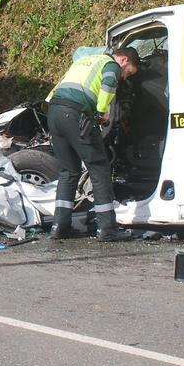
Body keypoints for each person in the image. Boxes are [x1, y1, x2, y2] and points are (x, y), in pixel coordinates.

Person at [46, 45, 140, 241]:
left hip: (54, 112)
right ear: (123, 59)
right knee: (99, 169)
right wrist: (101, 112)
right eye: (127, 73)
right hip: (75, 113)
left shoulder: (85, 61)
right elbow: (108, 84)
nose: (124, 77)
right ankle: (107, 229)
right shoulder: (110, 64)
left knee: (68, 171)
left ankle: (59, 227)